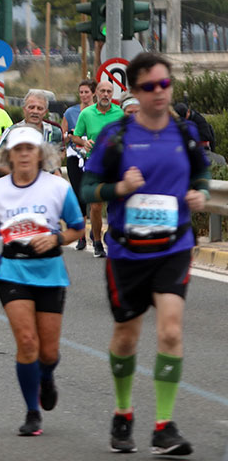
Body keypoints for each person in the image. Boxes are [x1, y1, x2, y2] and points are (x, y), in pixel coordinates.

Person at [81, 53, 209, 455]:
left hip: (174, 245)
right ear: (135, 91)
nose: (159, 92)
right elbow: (87, 188)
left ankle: (163, 426)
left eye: (164, 84)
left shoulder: (185, 132)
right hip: (127, 251)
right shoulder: (116, 136)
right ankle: (123, 413)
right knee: (126, 337)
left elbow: (201, 173)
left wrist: (200, 193)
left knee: (170, 331)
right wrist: (118, 189)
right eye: (150, 86)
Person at [0, 127, 85, 437]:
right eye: (18, 149)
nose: (24, 154)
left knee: (48, 353)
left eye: (30, 148)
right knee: (26, 342)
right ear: (9, 155)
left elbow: (77, 228)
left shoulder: (58, 187)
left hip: (50, 272)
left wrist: (56, 239)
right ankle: (32, 411)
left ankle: (46, 377)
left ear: (40, 154)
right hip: (12, 271)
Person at [71, 81, 123, 258]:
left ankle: (111, 237)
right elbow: (75, 137)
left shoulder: (119, 113)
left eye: (109, 91)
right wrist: (84, 142)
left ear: (112, 94)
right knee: (95, 206)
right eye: (102, 91)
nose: (106, 94)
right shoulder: (86, 113)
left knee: (115, 205)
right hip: (94, 164)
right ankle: (97, 242)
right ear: (96, 93)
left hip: (115, 164)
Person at [62, 80, 95, 251]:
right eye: (81, 92)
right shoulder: (70, 112)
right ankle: (81, 234)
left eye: (86, 92)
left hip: (93, 156)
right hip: (75, 156)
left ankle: (95, 231)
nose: (83, 95)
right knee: (78, 193)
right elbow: (63, 134)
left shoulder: (98, 112)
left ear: (93, 93)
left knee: (93, 195)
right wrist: (69, 136)